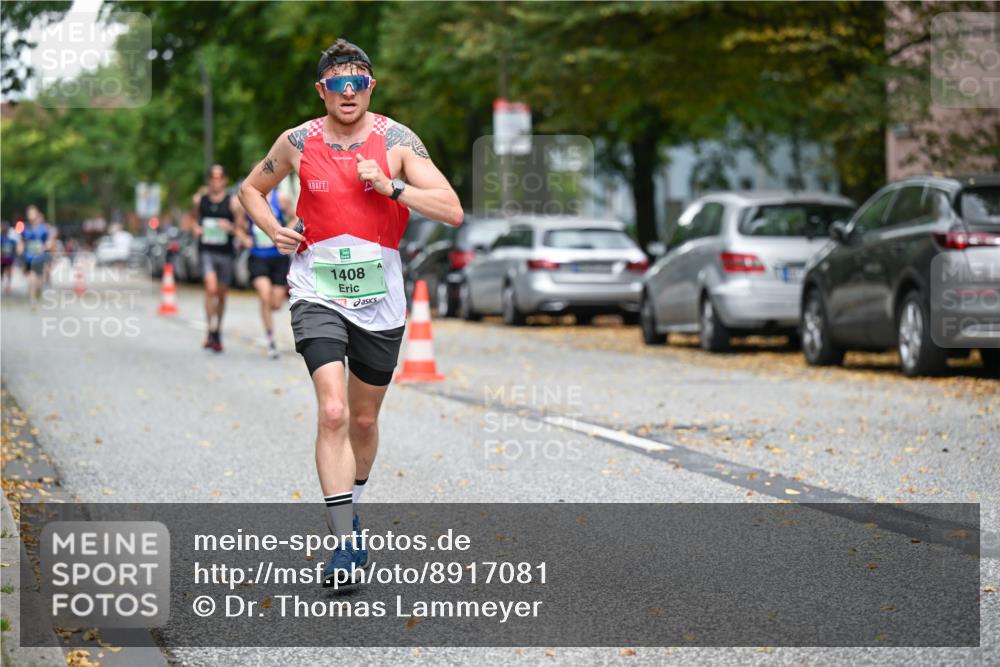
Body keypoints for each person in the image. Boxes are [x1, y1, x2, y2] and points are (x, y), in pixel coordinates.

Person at [238, 39, 463, 586]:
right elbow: (250, 189)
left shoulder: (398, 140)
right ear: (322, 91)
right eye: (337, 82)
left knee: (363, 419)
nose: (347, 91)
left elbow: (453, 210)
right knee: (334, 412)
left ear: (370, 88)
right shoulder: (296, 141)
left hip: (379, 298)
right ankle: (343, 543)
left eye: (357, 81)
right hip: (315, 288)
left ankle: (352, 508)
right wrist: (275, 231)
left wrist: (393, 186)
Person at [191, 165, 246, 352]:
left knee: (221, 294)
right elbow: (191, 221)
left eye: (219, 177)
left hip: (225, 252)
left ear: (225, 180)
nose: (216, 180)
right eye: (212, 177)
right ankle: (209, 328)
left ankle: (218, 330)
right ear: (209, 180)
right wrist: (195, 229)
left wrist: (229, 227)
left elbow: (240, 227)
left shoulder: (233, 202)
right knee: (210, 288)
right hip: (206, 250)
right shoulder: (200, 201)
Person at [245, 182, 296, 358]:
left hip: (278, 258)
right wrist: (244, 238)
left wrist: (285, 232)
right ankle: (270, 339)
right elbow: (238, 226)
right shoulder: (247, 201)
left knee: (275, 302)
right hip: (258, 256)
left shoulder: (280, 199)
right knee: (264, 295)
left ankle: (268, 310)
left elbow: (295, 217)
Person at [18, 205, 57, 307]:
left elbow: (50, 241)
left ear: (37, 214)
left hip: (41, 258)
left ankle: (37, 290)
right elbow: (22, 241)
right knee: (31, 277)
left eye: (33, 213)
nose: (31, 216)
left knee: (40, 280)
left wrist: (46, 246)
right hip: (29, 258)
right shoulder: (25, 228)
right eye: (29, 214)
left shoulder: (44, 229)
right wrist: (20, 247)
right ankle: (32, 298)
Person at [1, 221, 17, 295]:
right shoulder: (2, 239)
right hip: (4, 259)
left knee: (7, 272)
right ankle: (5, 285)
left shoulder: (11, 239)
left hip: (8, 259)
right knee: (4, 272)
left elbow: (14, 248)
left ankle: (7, 285)